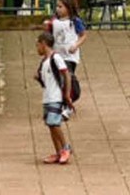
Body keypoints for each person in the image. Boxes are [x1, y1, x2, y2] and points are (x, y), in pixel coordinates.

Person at [45, 0, 87, 119]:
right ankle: (61, 104)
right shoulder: (54, 21)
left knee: (66, 78)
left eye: (61, 7)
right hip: (57, 55)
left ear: (68, 8)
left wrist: (76, 45)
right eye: (57, 6)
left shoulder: (75, 21)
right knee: (58, 80)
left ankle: (67, 105)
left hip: (69, 56)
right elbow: (49, 36)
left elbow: (83, 35)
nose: (58, 9)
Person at [34, 31, 73, 164]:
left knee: (54, 123)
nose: (37, 48)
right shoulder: (44, 62)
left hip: (55, 96)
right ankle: (58, 152)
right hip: (47, 96)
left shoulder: (55, 58)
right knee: (50, 125)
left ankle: (65, 147)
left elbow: (66, 74)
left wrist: (67, 94)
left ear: (44, 44)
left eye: (38, 45)